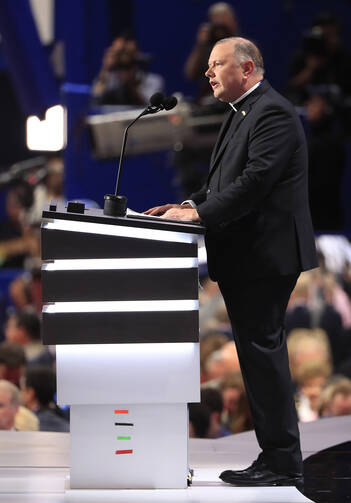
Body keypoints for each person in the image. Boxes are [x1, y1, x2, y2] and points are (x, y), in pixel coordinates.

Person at [146, 36, 318, 486]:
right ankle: (275, 456)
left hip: (266, 254)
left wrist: (198, 214)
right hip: (250, 255)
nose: (208, 73)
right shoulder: (243, 112)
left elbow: (256, 181)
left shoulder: (272, 112)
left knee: (263, 352)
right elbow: (225, 183)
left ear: (246, 69)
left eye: (216, 64)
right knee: (257, 355)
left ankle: (282, 461)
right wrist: (183, 205)